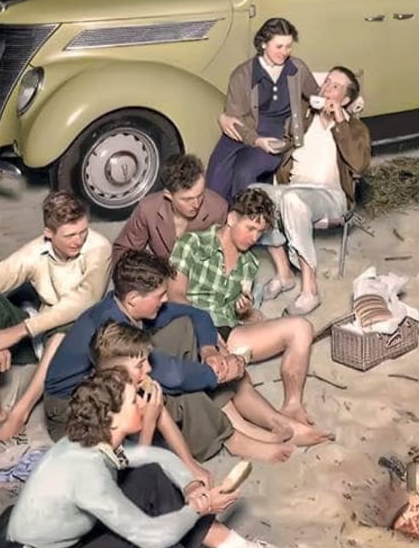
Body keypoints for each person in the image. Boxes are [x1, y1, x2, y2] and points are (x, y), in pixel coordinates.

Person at [0, 369, 291, 548]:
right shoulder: (86, 472)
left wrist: (191, 486)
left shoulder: (92, 440)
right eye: (134, 400)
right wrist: (197, 508)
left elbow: (153, 457)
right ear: (112, 418)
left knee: (148, 475)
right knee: (138, 543)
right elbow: (150, 536)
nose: (143, 402)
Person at [45, 249, 311, 463]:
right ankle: (231, 439)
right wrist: (217, 373)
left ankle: (239, 423)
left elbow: (197, 315)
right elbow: (173, 375)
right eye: (159, 295)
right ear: (134, 298)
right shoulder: (112, 326)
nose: (164, 300)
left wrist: (208, 351)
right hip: (74, 411)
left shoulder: (126, 304)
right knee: (172, 387)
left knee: (184, 329)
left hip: (113, 380)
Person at [0, 191, 112, 445]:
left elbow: (85, 301)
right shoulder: (33, 253)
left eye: (83, 231)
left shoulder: (99, 247)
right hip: (40, 336)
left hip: (78, 340)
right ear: (49, 233)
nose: (79, 240)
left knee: (69, 322)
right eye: (70, 235)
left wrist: (16, 332)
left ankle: (20, 411)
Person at [169, 189, 328, 439]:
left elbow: (234, 314)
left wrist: (242, 310)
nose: (254, 237)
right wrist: (205, 332)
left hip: (229, 332)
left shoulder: (249, 263)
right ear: (232, 218)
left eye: (260, 232)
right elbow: (175, 295)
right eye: (250, 228)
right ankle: (281, 426)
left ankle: (292, 404)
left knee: (302, 328)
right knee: (236, 377)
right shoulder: (192, 244)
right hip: (191, 328)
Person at [252, 65, 371, 314]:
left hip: (331, 196)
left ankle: (310, 289)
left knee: (293, 200)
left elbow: (359, 166)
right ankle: (284, 274)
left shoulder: (354, 129)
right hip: (293, 188)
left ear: (345, 99)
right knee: (255, 195)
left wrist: (339, 122)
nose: (327, 88)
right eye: (326, 82)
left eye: (335, 86)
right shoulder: (304, 117)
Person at [206, 18, 320, 202]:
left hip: (274, 137)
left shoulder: (297, 68)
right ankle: (217, 218)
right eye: (279, 46)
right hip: (242, 132)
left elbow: (316, 94)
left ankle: (244, 216)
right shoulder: (242, 74)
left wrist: (343, 99)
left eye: (288, 46)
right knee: (217, 177)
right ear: (263, 44)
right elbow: (234, 120)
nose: (284, 52)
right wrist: (255, 140)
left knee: (244, 172)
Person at [90, 321, 213, 487]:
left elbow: (162, 416)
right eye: (140, 365)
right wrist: (149, 422)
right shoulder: (102, 407)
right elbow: (137, 476)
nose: (148, 368)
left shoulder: (134, 385)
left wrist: (190, 465)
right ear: (115, 375)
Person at [113, 153, 228, 264]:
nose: (196, 204)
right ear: (168, 195)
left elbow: (225, 256)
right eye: (187, 199)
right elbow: (123, 251)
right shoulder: (148, 209)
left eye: (200, 195)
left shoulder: (218, 209)